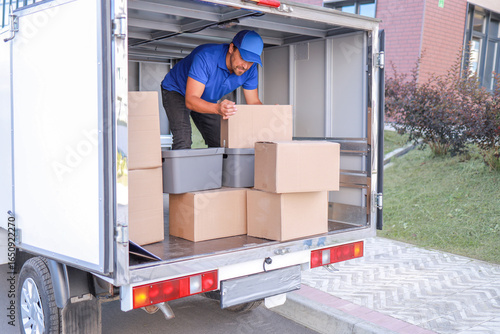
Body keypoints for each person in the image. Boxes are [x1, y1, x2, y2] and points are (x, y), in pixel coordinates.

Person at [160, 30, 264, 150]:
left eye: (250, 61)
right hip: (177, 90)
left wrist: (270, 113)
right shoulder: (206, 57)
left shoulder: (250, 70)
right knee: (183, 140)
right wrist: (217, 108)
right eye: (242, 57)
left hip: (205, 98)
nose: (245, 65)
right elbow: (191, 100)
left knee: (222, 141)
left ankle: (217, 169)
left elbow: (254, 103)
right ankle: (181, 168)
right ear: (231, 48)